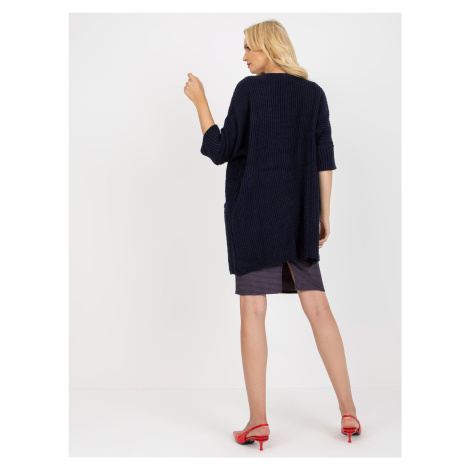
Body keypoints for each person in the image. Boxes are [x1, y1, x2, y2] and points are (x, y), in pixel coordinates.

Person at [184, 19, 361, 450]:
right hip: (299, 216)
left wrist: (200, 101)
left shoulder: (249, 91)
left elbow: (220, 150)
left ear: (268, 48)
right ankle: (349, 411)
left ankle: (258, 421)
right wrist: (323, 214)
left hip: (253, 216)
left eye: (249, 47)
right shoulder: (313, 94)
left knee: (252, 312)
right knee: (318, 308)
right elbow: (324, 158)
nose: (244, 56)